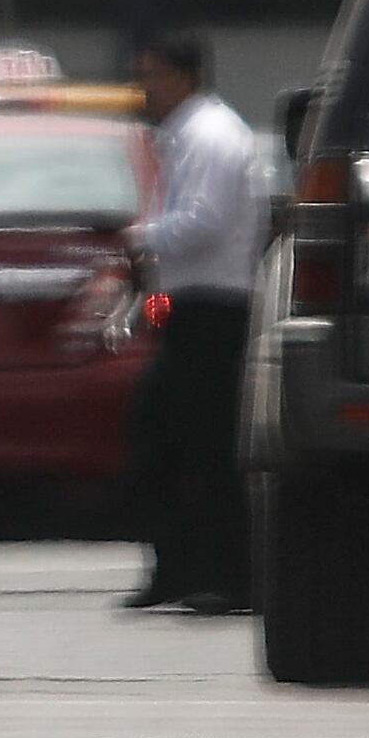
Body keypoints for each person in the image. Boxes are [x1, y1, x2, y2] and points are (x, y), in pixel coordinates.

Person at [125, 33, 264, 615]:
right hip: (182, 306)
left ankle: (225, 574)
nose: (145, 90)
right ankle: (178, 567)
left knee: (203, 445)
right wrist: (149, 310)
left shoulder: (210, 135)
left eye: (152, 76)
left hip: (215, 310)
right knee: (162, 434)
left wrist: (136, 239)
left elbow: (202, 221)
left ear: (182, 76)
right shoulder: (180, 136)